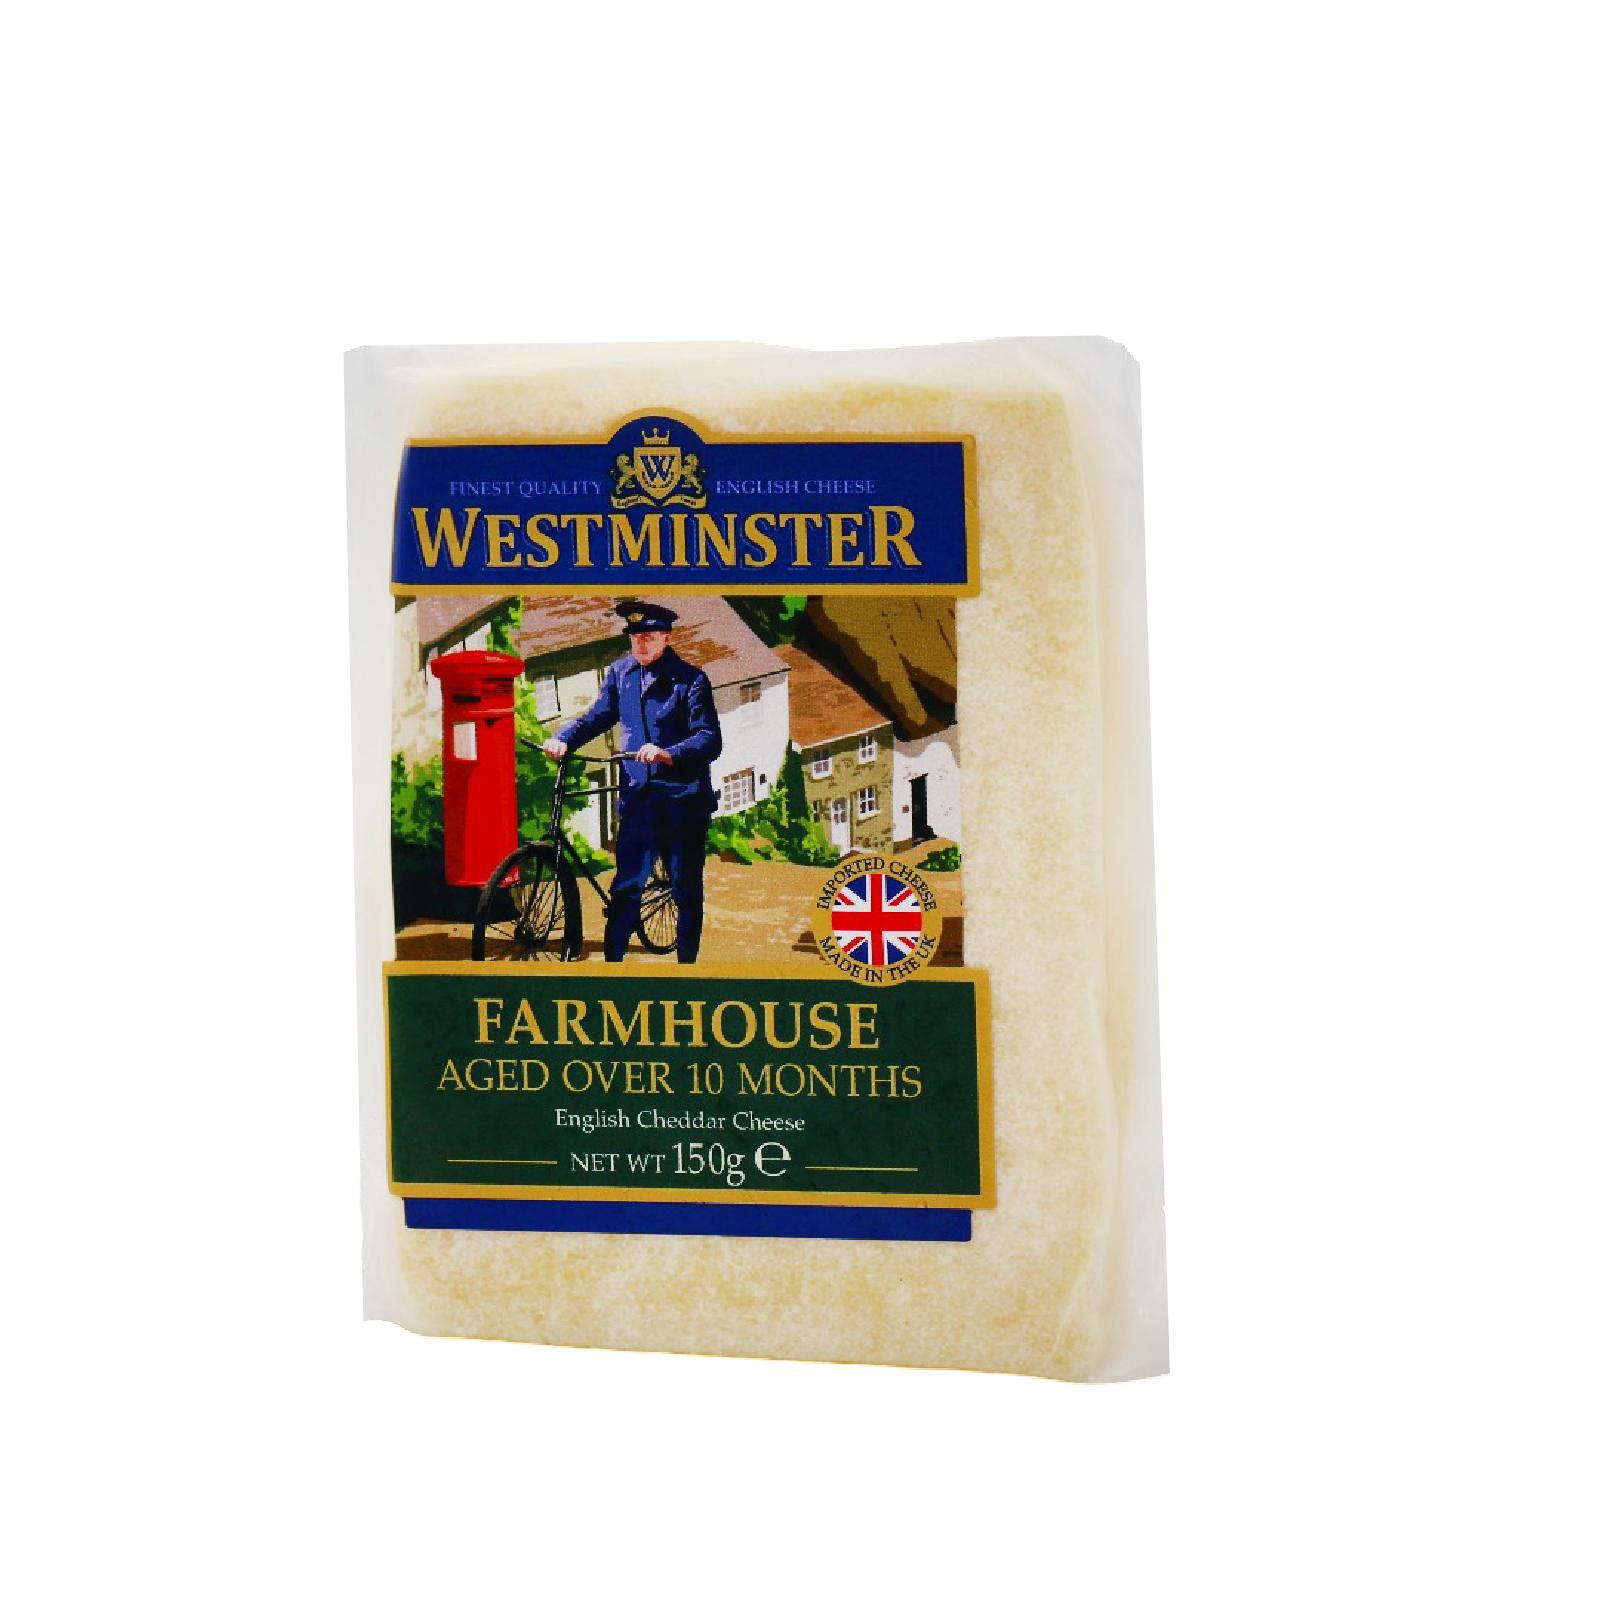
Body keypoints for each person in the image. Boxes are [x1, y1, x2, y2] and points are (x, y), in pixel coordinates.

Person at [543, 602, 723, 962]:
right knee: (626, 888)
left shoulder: (691, 681)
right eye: (635, 637)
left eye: (649, 637)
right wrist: (564, 738)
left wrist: (668, 753)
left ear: (666, 638)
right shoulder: (621, 673)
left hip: (682, 803)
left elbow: (710, 739)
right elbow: (598, 717)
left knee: (685, 890)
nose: (641, 644)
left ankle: (687, 969)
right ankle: (613, 967)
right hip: (639, 801)